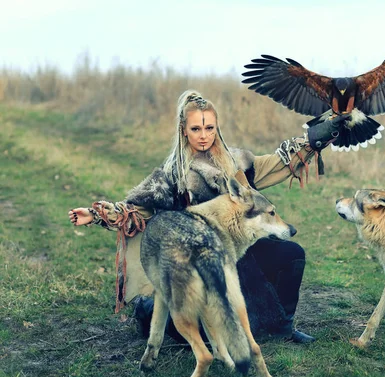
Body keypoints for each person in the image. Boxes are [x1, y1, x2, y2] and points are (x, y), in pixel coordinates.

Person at [68, 89, 348, 344]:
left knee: (290, 253)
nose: (204, 135)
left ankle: (283, 328)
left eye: (209, 128)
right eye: (196, 128)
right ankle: (149, 309)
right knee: (195, 330)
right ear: (183, 130)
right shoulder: (173, 176)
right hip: (195, 264)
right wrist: (96, 214)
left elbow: (275, 163)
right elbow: (136, 210)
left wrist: (314, 139)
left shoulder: (236, 162)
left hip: (239, 250)